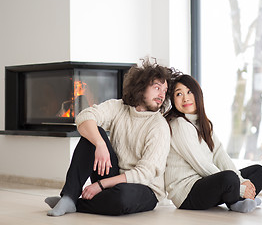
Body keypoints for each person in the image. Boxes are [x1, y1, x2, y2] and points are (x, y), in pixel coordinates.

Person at [45, 59, 174, 216]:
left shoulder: (159, 126)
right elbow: (84, 116)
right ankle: (69, 196)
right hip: (113, 176)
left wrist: (100, 185)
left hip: (144, 188)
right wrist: (100, 143)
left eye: (165, 91)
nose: (162, 94)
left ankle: (75, 204)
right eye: (157, 87)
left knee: (122, 197)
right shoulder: (119, 107)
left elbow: (144, 174)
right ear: (141, 86)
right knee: (93, 132)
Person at [164, 74, 262, 213]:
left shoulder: (204, 123)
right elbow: (201, 164)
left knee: (258, 171)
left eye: (189, 92)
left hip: (206, 183)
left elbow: (220, 155)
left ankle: (237, 200)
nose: (185, 98)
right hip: (187, 193)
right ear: (173, 100)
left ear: (198, 94)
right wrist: (241, 188)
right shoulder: (179, 125)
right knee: (229, 178)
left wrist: (241, 180)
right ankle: (238, 199)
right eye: (179, 94)